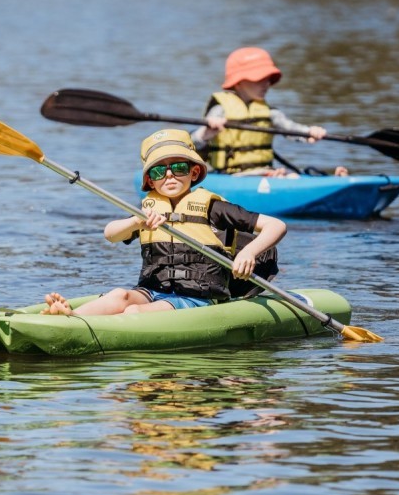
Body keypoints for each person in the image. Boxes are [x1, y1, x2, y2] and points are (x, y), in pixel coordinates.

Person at [42, 129, 287, 316]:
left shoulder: (214, 207)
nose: (169, 175)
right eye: (159, 171)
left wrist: (250, 252)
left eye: (178, 168)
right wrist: (136, 223)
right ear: (151, 180)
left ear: (193, 172)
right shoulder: (148, 210)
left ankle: (81, 323)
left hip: (197, 298)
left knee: (134, 311)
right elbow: (110, 234)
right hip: (152, 290)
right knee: (120, 296)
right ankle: (73, 317)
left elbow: (276, 225)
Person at [192, 46, 349, 177]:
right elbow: (192, 143)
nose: (266, 84)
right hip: (230, 176)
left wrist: (310, 132)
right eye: (259, 79)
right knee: (288, 177)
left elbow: (292, 129)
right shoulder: (219, 110)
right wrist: (205, 133)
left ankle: (334, 182)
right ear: (238, 82)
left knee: (292, 176)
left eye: (268, 79)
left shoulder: (270, 112)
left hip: (265, 172)